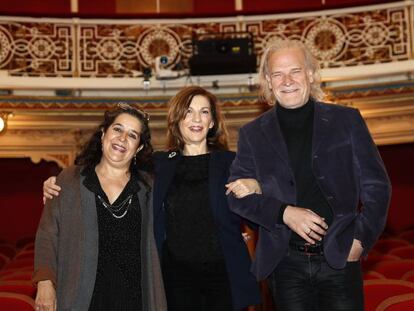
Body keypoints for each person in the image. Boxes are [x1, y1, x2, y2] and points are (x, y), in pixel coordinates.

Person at [43, 86, 261, 311]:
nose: (196, 118)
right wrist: (59, 183)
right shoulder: (159, 164)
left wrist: (257, 186)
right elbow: (114, 165)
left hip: (223, 276)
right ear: (176, 120)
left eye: (204, 112)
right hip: (175, 280)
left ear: (212, 122)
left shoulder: (233, 163)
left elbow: (257, 216)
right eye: (188, 111)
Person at [226, 40, 391, 311]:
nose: (287, 80)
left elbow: (377, 186)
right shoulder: (252, 133)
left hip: (339, 258)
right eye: (277, 74)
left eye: (295, 71)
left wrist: (360, 240)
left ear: (311, 74)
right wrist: (283, 212)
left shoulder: (347, 120)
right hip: (285, 265)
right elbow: (237, 198)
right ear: (268, 80)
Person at [34, 104, 166, 311]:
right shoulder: (69, 179)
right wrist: (45, 282)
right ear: (104, 134)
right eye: (117, 129)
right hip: (80, 298)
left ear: (138, 148)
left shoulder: (151, 187)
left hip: (135, 300)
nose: (122, 139)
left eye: (132, 135)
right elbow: (48, 234)